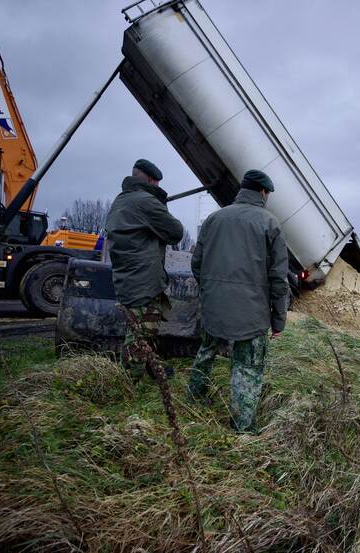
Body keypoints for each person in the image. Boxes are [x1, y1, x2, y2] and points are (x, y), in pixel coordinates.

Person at [187, 169, 289, 432]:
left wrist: (211, 292)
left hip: (214, 307)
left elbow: (196, 264)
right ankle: (242, 426)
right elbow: (278, 278)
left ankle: (193, 400)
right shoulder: (270, 223)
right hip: (252, 314)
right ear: (263, 192)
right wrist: (278, 320)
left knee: (206, 352)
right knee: (248, 367)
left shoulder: (213, 219)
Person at [105, 159, 184, 381]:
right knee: (140, 334)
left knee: (141, 328)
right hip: (143, 280)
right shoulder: (146, 201)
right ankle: (129, 386)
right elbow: (176, 231)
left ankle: (152, 368)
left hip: (127, 276)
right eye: (157, 183)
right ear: (152, 180)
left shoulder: (121, 200)